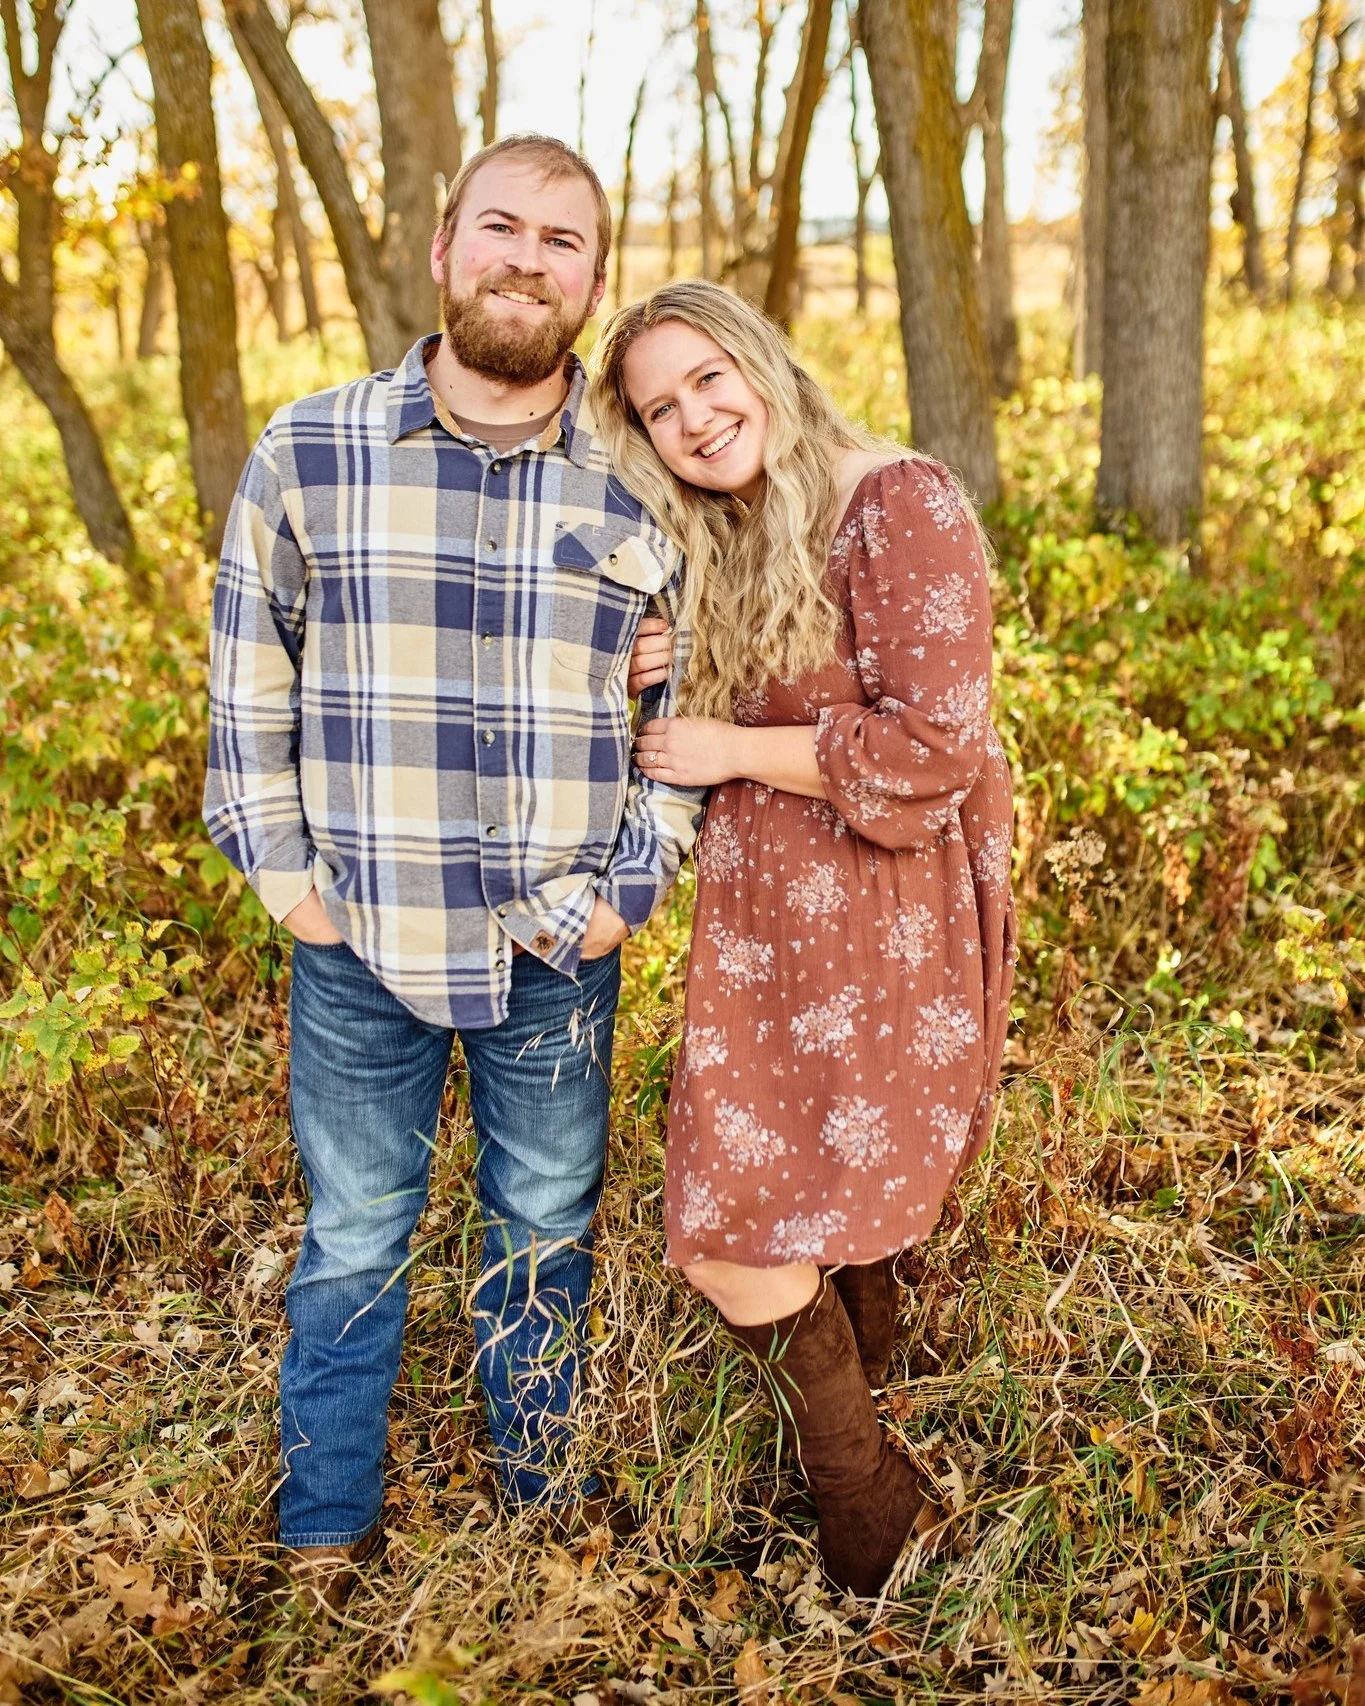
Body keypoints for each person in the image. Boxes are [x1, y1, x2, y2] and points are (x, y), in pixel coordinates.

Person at [203, 136, 703, 1606]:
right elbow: (248, 682)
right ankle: (326, 1520)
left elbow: (692, 706)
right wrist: (290, 885)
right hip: (360, 933)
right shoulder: (311, 449)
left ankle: (541, 1504)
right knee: (356, 1227)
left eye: (562, 241)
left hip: (557, 942)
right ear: (441, 248)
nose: (525, 260)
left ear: (593, 282)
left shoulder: (644, 482)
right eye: (500, 227)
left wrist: (628, 890)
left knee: (542, 1226)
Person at [595, 280, 1016, 1597]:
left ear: (762, 361)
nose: (693, 419)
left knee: (731, 1227)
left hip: (881, 913)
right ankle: (875, 1416)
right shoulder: (733, 528)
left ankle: (863, 1492)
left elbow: (934, 747)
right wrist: (656, 662)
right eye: (659, 410)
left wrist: (729, 745)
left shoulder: (895, 501)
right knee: (794, 1191)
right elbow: (719, 708)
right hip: (767, 925)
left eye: (707, 380)